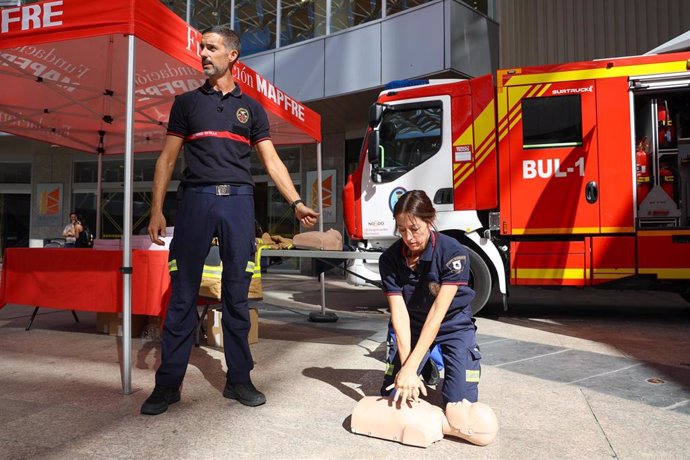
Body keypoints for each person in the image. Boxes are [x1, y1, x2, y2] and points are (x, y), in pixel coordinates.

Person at [141, 24, 319, 416]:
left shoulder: (251, 109)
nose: (202, 54)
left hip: (239, 203)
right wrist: (156, 209)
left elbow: (270, 160)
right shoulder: (186, 103)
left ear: (232, 56)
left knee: (237, 294)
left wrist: (295, 202)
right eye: (201, 48)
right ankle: (168, 385)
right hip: (195, 203)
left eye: (211, 48)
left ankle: (239, 379)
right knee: (183, 295)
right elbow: (167, 159)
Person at [379, 190, 480, 407]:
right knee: (396, 397)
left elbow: (437, 314)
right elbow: (399, 315)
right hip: (413, 323)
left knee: (459, 404)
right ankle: (424, 365)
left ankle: (426, 361)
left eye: (415, 229)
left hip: (453, 324)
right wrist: (408, 369)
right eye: (402, 230)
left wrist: (409, 368)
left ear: (430, 221)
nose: (408, 238)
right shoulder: (389, 259)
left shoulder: (453, 252)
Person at [351, 396, 498, 447]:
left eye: (469, 409)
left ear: (467, 430)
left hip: (362, 414)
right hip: (367, 407)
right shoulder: (435, 412)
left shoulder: (425, 433)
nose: (465, 401)